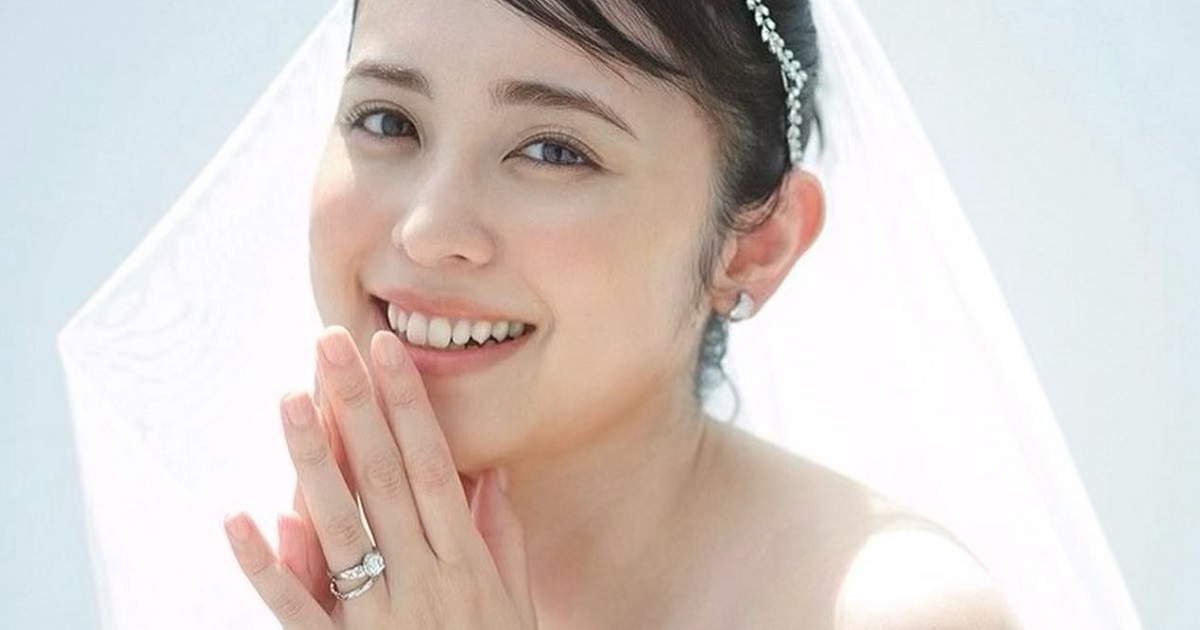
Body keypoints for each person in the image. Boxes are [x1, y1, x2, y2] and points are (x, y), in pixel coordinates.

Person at [216, 0, 1025, 627]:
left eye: (554, 151)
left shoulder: (886, 614)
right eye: (387, 121)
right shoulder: (254, 554)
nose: (428, 232)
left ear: (754, 247)